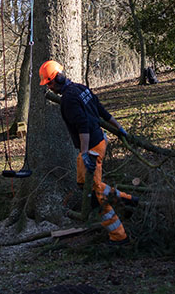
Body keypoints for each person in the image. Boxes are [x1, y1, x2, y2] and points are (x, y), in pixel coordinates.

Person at [39, 59, 138, 246]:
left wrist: (84, 154)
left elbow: (82, 126)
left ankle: (119, 236)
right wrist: (118, 127)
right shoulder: (81, 88)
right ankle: (129, 200)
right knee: (84, 183)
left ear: (58, 79)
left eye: (50, 83)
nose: (49, 87)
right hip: (98, 140)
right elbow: (100, 109)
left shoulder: (68, 100)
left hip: (92, 146)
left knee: (95, 196)